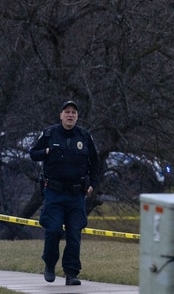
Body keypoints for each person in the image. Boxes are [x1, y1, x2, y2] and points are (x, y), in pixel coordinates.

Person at [29, 100, 99, 286]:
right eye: (67, 112)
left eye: (73, 113)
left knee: (74, 235)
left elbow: (95, 162)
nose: (70, 115)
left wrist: (94, 184)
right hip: (54, 193)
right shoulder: (50, 133)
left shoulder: (84, 136)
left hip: (76, 195)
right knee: (53, 231)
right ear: (61, 115)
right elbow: (33, 153)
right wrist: (46, 150)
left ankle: (71, 273)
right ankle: (50, 264)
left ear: (77, 116)